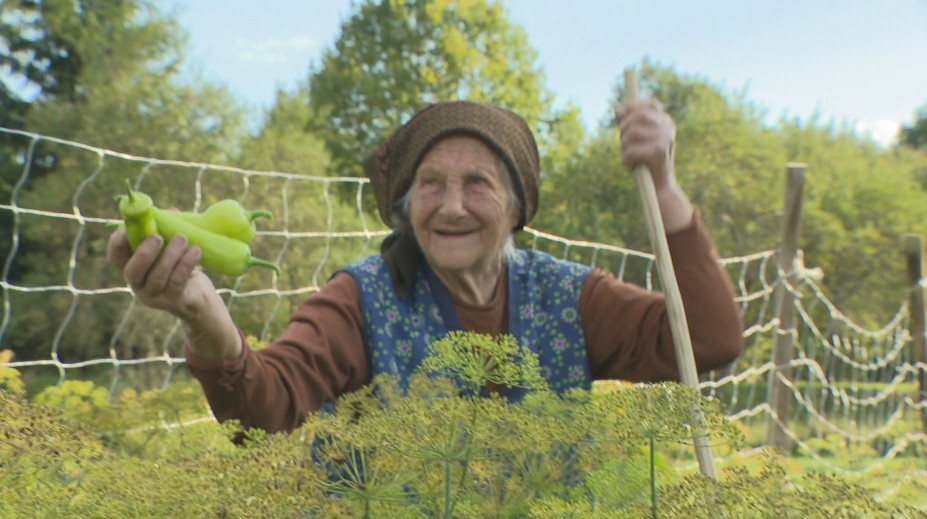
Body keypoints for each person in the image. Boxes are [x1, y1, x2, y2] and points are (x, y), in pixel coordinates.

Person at [107, 99, 744, 434]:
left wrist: (662, 184)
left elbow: (709, 342)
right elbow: (267, 409)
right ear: (408, 206)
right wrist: (205, 319)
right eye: (432, 185)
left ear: (517, 206)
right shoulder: (361, 301)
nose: (453, 206)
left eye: (479, 184)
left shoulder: (567, 297)